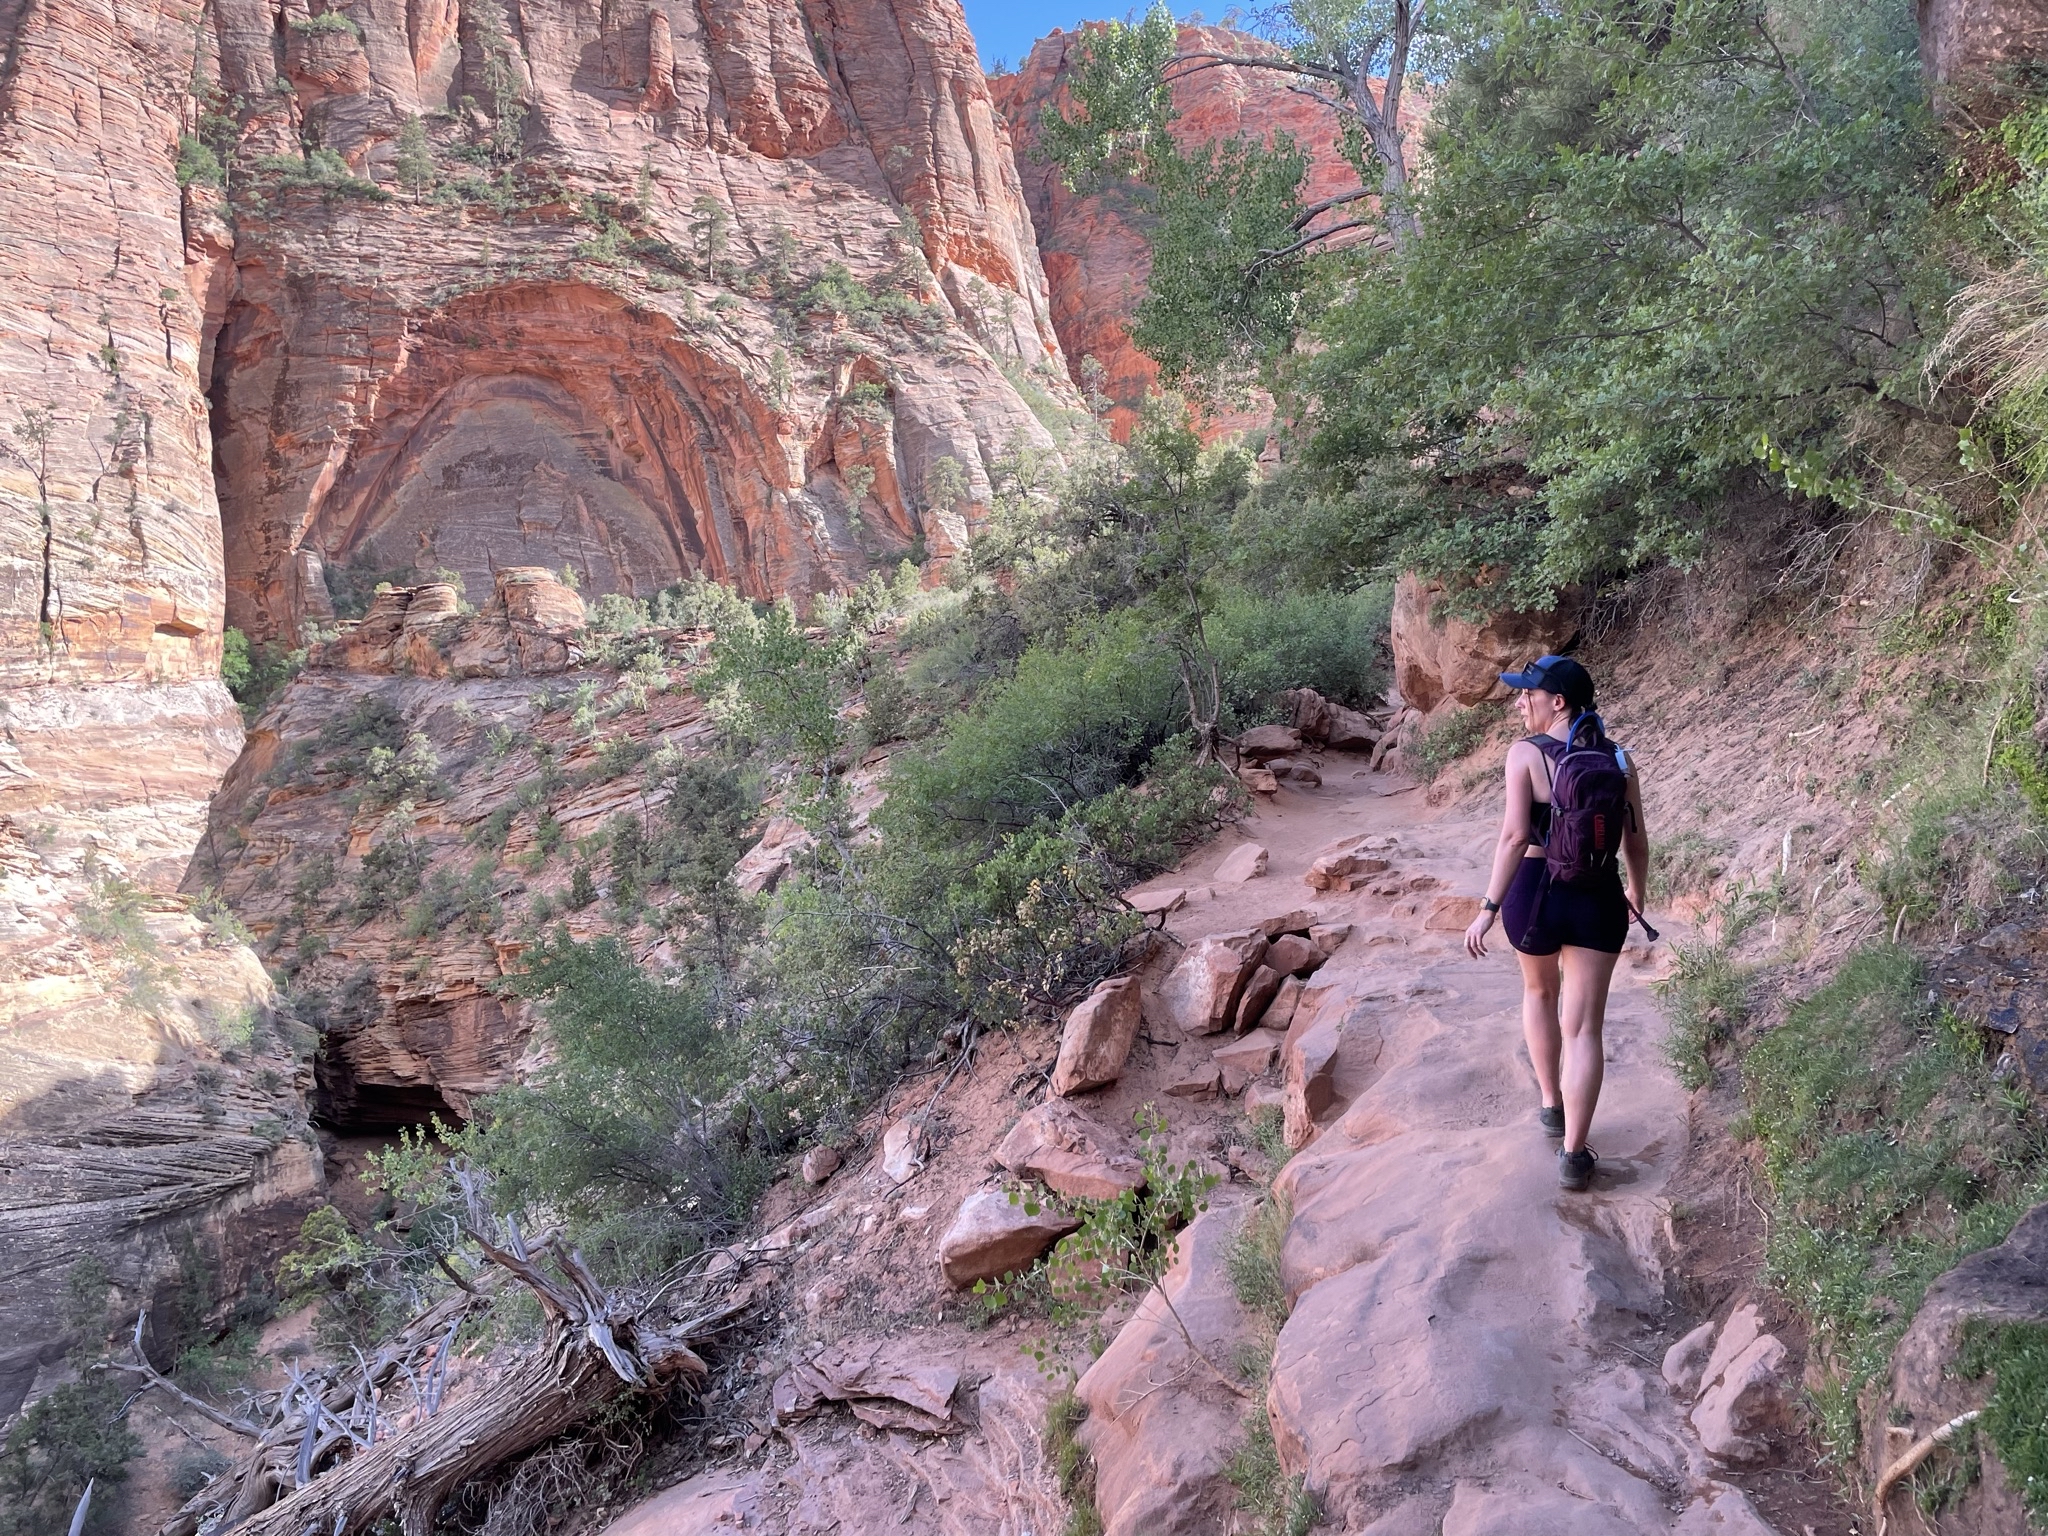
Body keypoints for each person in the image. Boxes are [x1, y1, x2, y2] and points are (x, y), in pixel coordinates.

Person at [1463, 655, 1650, 1191]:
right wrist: (1636, 891)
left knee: (1539, 993)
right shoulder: (1618, 757)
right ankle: (1573, 1155)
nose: (1520, 702)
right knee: (1585, 1028)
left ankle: (1551, 1103)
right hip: (1597, 897)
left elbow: (1514, 837)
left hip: (1533, 895)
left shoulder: (1524, 755)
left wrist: (1487, 909)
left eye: (1528, 694)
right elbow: (1634, 839)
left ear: (1558, 701)